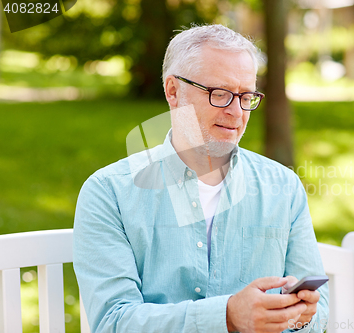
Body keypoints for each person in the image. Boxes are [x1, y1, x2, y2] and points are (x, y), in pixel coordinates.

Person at [73, 24, 329, 333]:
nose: (236, 112)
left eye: (246, 96)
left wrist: (300, 315)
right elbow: (113, 322)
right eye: (220, 94)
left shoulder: (283, 187)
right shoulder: (108, 192)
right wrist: (227, 316)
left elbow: (319, 310)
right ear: (173, 91)